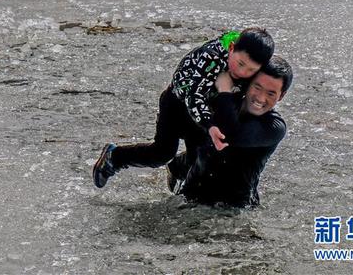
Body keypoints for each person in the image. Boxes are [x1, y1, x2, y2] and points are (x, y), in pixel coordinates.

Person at [92, 27, 275, 189]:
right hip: (177, 104)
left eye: (250, 70)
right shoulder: (210, 57)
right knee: (162, 153)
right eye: (240, 63)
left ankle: (176, 169)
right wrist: (210, 125)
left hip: (208, 109)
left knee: (202, 158)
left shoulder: (252, 67)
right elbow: (194, 97)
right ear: (232, 48)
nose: (242, 72)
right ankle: (114, 156)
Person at [172, 55, 293, 207]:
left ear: (281, 95)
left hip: (234, 211)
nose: (261, 98)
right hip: (191, 197)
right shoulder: (223, 101)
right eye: (257, 87)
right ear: (248, 83)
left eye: (271, 93)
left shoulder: (274, 127)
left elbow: (229, 135)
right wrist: (173, 164)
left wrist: (224, 89)